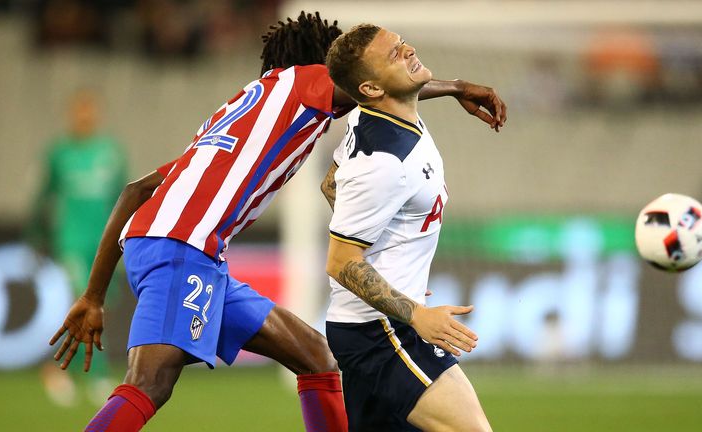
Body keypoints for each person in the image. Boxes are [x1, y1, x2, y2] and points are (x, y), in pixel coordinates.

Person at [48, 12, 505, 432]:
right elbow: (380, 84)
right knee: (150, 382)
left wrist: (93, 296)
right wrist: (459, 87)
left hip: (196, 255)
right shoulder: (300, 82)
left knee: (316, 358)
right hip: (180, 245)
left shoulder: (242, 112)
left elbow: (136, 191)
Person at [322, 24, 495, 431]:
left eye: (401, 44)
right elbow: (340, 261)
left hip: (374, 326)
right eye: (395, 54)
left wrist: (455, 87)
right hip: (380, 333)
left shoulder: (374, 118)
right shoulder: (383, 164)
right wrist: (414, 312)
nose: (410, 50)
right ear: (370, 89)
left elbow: (331, 183)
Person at [28, 89, 127, 407]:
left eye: (89, 111)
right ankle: (97, 377)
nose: (84, 116)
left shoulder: (111, 152)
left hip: (104, 241)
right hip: (70, 239)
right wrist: (35, 237)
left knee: (101, 307)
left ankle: (55, 369)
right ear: (72, 115)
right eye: (79, 111)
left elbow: (124, 200)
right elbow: (43, 197)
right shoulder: (59, 154)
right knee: (84, 299)